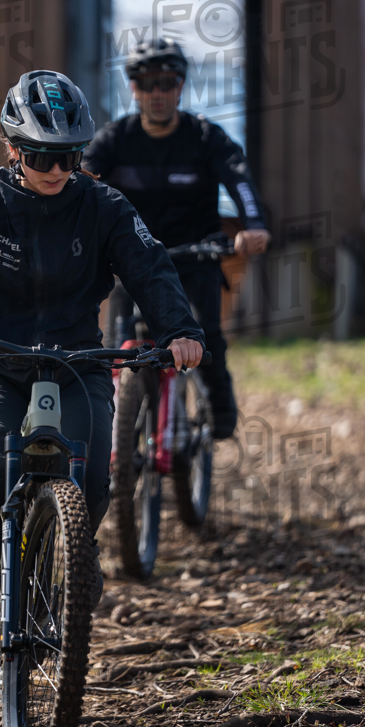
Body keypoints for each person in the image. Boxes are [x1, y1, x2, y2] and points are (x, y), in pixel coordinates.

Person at [0, 70, 205, 695]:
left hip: (77, 359)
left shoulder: (104, 207)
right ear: (13, 148)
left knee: (97, 476)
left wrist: (180, 330)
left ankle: (73, 554)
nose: (58, 168)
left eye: (71, 154)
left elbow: (151, 269)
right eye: (45, 155)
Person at [83, 38, 272, 439]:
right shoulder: (115, 139)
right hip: (131, 263)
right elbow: (81, 181)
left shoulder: (205, 137)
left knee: (207, 341)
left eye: (166, 83)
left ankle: (219, 412)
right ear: (133, 87)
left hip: (196, 257)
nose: (157, 93)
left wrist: (254, 224)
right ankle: (114, 431)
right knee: (114, 349)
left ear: (180, 85)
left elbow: (240, 180)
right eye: (147, 83)